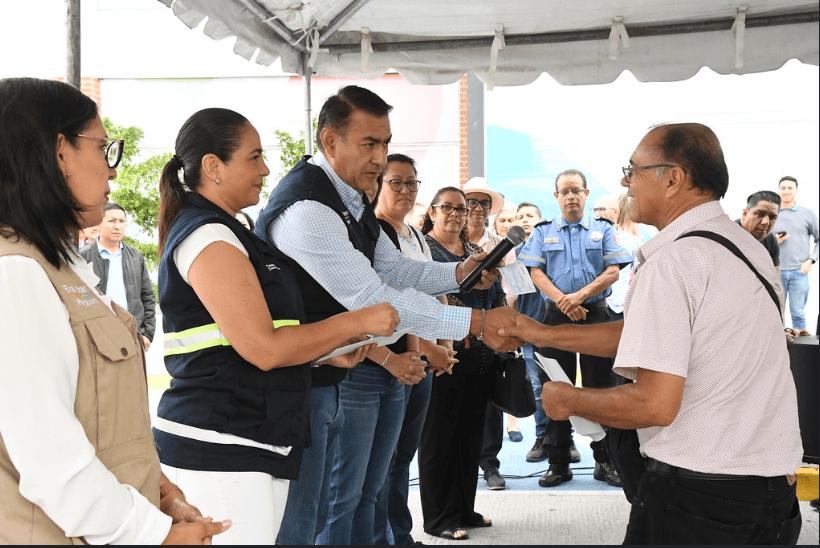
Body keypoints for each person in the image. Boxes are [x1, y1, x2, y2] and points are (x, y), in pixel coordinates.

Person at [501, 122, 803, 544]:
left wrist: (568, 399)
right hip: (768, 485)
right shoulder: (741, 245)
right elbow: (646, 333)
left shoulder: (675, 260)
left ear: (674, 178)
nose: (625, 181)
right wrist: (544, 334)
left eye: (634, 169)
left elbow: (655, 404)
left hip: (702, 494)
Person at [254, 85, 518, 545]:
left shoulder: (350, 198)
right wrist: (475, 324)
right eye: (368, 144)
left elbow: (394, 267)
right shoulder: (308, 208)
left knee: (362, 495)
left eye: (386, 143)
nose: (380, 158)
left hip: (334, 373)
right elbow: (372, 296)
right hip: (306, 382)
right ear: (329, 141)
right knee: (314, 515)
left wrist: (459, 270)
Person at [153, 107, 399, 544]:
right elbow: (264, 348)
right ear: (213, 166)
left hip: (254, 437)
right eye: (254, 157)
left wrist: (323, 351)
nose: (266, 169)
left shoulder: (233, 230)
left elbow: (253, 336)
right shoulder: (207, 236)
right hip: (220, 443)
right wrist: (355, 320)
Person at [0, 76, 228, 544]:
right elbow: (51, 459)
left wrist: (162, 493)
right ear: (58, 152)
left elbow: (100, 419)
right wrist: (152, 534)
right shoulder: (16, 275)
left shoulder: (58, 264)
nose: (113, 172)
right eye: (104, 149)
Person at [518, 169, 632, 488]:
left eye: (576, 191)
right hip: (554, 319)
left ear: (586, 194)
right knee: (557, 388)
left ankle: (605, 461)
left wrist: (580, 296)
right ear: (556, 197)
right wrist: (563, 301)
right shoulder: (542, 231)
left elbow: (613, 271)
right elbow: (535, 272)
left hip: (596, 316)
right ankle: (558, 462)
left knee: (601, 391)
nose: (570, 196)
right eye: (564, 191)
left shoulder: (603, 229)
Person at [371, 154, 457, 545]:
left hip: (420, 359)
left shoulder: (415, 235)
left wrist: (445, 344)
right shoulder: (374, 234)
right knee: (380, 465)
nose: (405, 191)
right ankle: (387, 537)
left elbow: (431, 292)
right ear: (377, 185)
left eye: (412, 183)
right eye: (396, 183)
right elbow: (395, 305)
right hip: (390, 361)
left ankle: (400, 536)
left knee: (402, 459)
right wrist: (426, 351)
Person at [418, 186, 505, 541]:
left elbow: (494, 297)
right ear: (433, 212)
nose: (455, 214)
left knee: (470, 434)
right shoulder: (424, 250)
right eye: (447, 208)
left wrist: (494, 283)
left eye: (461, 208)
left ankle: (463, 508)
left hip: (481, 353)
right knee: (440, 437)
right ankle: (438, 518)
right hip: (443, 352)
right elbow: (428, 301)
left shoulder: (474, 251)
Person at [459, 178, 516, 491]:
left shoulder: (502, 245)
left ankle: (490, 466)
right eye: (472, 202)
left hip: (494, 329)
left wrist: (502, 321)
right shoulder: (448, 240)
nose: (477, 209)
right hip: (459, 330)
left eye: (484, 203)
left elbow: (512, 287)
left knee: (491, 405)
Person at [80, 202, 156, 350]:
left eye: (122, 221)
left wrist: (148, 334)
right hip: (97, 336)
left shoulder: (136, 256)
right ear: (99, 224)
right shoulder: (84, 257)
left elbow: (147, 296)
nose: (118, 226)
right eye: (112, 221)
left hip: (133, 334)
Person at [514, 202, 555, 464]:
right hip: (528, 331)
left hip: (553, 329)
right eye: (521, 217)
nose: (525, 220)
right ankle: (542, 438)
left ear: (541, 220)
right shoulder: (513, 254)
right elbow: (511, 294)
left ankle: (565, 439)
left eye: (531, 215)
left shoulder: (551, 250)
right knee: (538, 389)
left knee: (560, 386)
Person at [774, 176, 819, 331]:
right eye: (783, 188)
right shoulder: (771, 214)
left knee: (798, 313)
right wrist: (774, 241)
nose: (786, 191)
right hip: (775, 273)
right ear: (778, 190)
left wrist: (811, 260)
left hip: (799, 272)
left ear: (796, 191)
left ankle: (802, 351)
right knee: (776, 313)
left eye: (790, 188)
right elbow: (757, 241)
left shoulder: (808, 214)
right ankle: (779, 348)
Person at [596, 194, 643, 322]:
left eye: (601, 209)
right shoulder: (588, 239)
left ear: (616, 212)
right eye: (595, 210)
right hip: (595, 306)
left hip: (619, 307)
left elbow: (642, 273)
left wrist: (633, 298)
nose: (597, 214)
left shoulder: (632, 240)